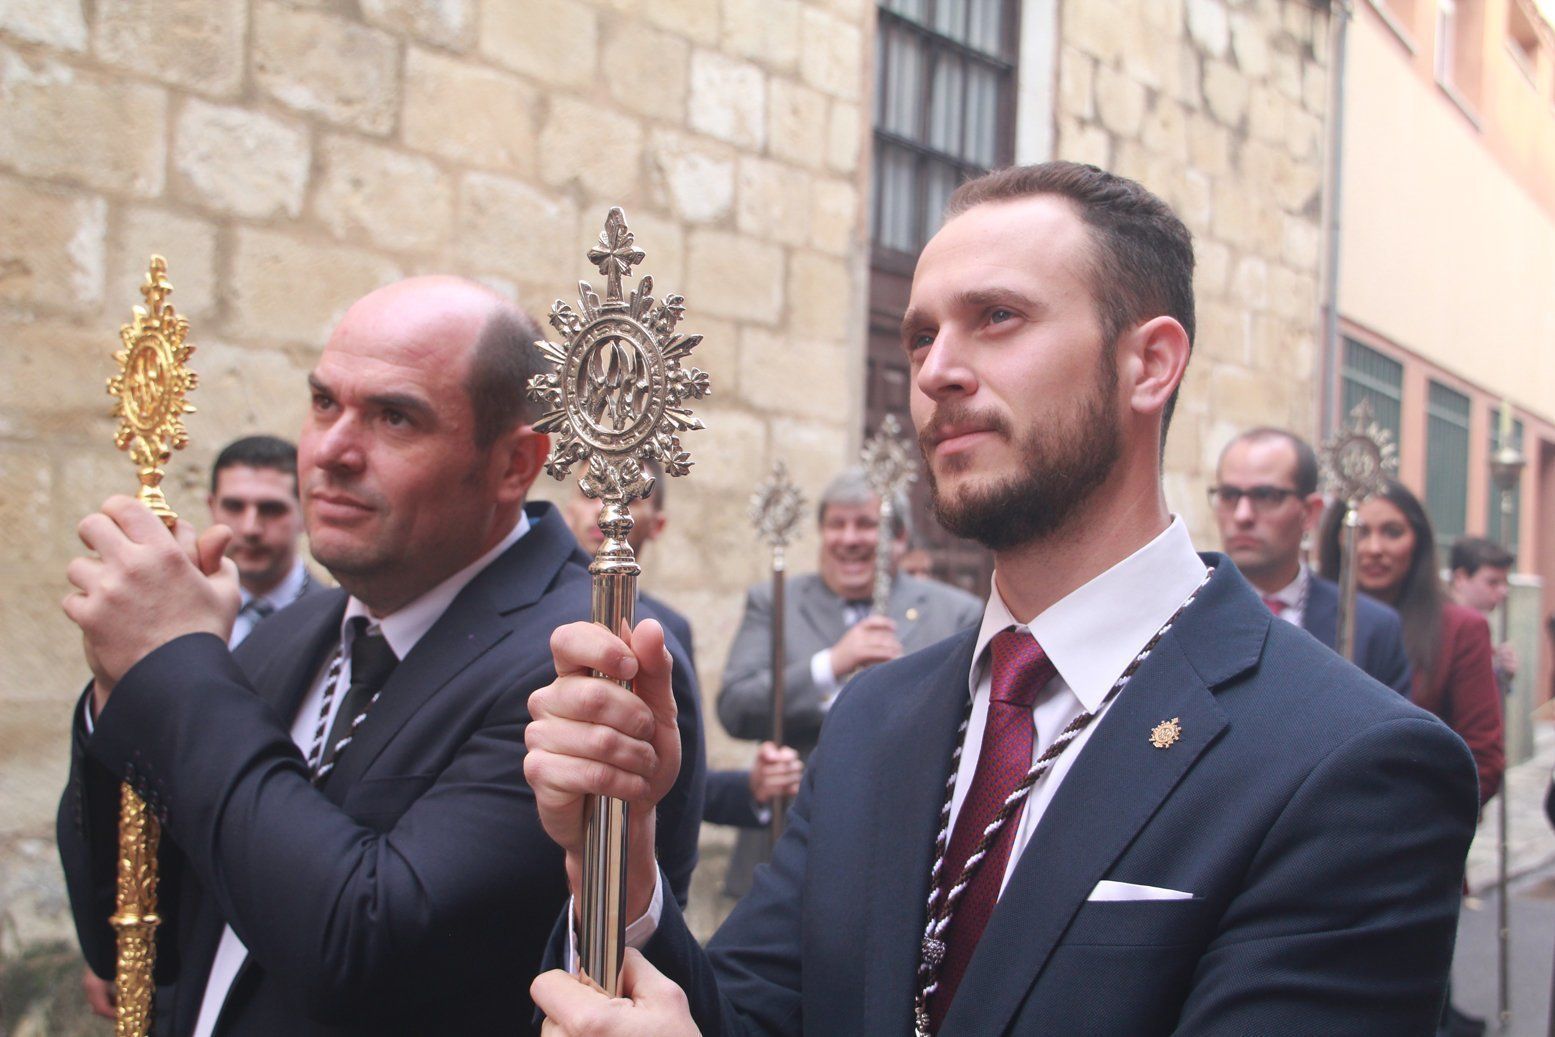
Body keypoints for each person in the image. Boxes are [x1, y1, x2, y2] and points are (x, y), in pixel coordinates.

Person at [523, 162, 1479, 1035]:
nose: (934, 368)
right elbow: (757, 1014)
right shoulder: (876, 719)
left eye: (997, 317)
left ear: (1149, 363)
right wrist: (628, 862)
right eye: (920, 333)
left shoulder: (1349, 765)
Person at [56, 276, 705, 1036]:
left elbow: (366, 949)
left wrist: (174, 665)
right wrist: (121, 683)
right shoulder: (289, 632)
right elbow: (130, 932)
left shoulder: (579, 668)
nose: (331, 451)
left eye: (394, 417)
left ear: (512, 464)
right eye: (324, 402)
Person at [715, 467, 982, 896]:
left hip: (904, 854)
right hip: (788, 843)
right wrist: (831, 664)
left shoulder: (957, 615)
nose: (850, 538)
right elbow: (735, 706)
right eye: (837, 524)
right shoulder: (774, 600)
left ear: (898, 540)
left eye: (867, 524)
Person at [1318, 480, 1502, 1037]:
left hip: (1406, 861)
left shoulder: (1459, 629)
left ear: (1418, 542)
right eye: (1363, 531)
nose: (1374, 547)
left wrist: (1401, 827)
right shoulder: (1308, 618)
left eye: (1391, 531)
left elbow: (1484, 755)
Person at [1211, 427, 1410, 693]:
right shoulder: (1185, 613)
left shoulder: (1370, 626)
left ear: (1310, 512)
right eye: (1229, 496)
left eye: (1265, 496)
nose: (1242, 515)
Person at [209, 435, 326, 647]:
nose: (250, 528)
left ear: (306, 512)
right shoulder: (186, 613)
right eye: (234, 506)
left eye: (271, 509)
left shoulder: (335, 622)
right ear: (212, 507)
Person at [1449, 536, 1518, 683]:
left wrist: (1499, 675)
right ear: (1460, 578)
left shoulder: (1476, 623)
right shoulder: (1442, 625)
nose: (1504, 591)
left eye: (1505, 581)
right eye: (1492, 582)